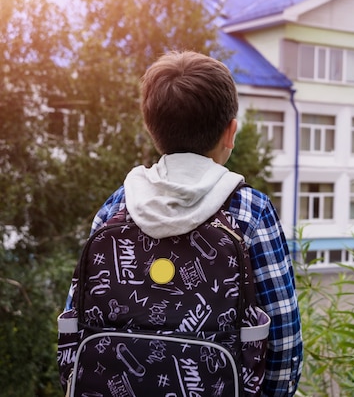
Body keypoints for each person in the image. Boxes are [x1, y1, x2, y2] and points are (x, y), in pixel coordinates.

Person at [63, 50, 303, 396]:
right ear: (230, 132)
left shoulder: (116, 207)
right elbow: (284, 344)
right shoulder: (250, 211)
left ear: (151, 128)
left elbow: (75, 325)